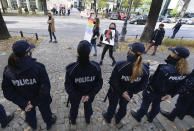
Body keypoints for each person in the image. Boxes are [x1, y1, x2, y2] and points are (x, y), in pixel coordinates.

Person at [1, 40, 57, 130]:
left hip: (25, 102)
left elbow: (8, 92)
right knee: (46, 112)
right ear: (27, 54)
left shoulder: (8, 70)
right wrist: (32, 102)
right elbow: (46, 88)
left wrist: (24, 103)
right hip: (40, 99)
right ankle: (49, 123)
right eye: (30, 50)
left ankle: (34, 126)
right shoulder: (39, 67)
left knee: (30, 115)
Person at [131, 46, 190, 123]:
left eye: (172, 52)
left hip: (152, 91)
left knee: (145, 104)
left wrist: (147, 86)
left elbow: (154, 81)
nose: (170, 52)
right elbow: (181, 85)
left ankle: (138, 116)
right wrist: (171, 94)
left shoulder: (164, 69)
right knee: (156, 105)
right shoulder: (185, 71)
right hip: (164, 94)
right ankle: (151, 117)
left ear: (175, 55)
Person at [102, 42, 149, 129]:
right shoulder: (145, 68)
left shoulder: (121, 65)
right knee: (123, 106)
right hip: (128, 93)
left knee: (112, 105)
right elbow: (143, 85)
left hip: (115, 91)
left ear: (131, 52)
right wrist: (130, 92)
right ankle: (118, 119)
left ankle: (108, 117)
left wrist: (122, 92)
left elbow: (113, 81)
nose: (128, 50)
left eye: (129, 49)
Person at [65, 40, 103, 130]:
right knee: (88, 105)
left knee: (74, 106)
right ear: (89, 53)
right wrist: (90, 95)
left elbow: (68, 86)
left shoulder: (71, 69)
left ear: (77, 52)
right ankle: (87, 119)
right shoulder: (96, 67)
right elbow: (99, 83)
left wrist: (77, 95)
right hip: (89, 93)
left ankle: (73, 119)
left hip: (76, 95)